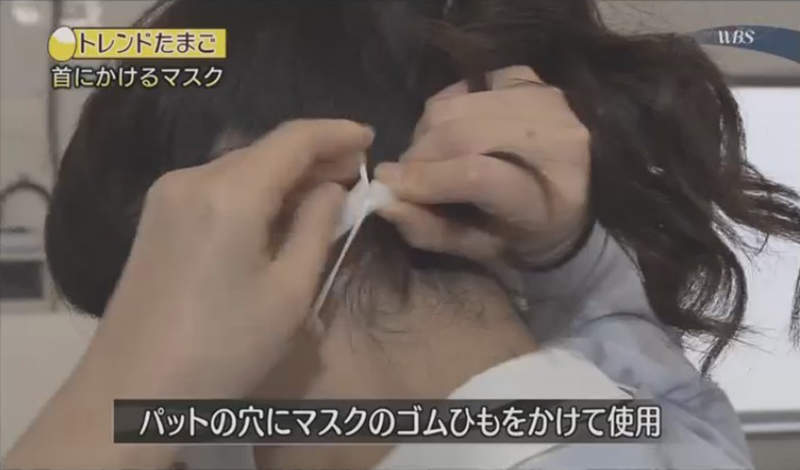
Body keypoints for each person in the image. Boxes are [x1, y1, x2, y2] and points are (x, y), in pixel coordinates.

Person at [6, 1, 800, 469]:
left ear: (287, 215)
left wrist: (115, 397)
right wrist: (572, 263)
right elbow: (667, 395)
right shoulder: (652, 426)